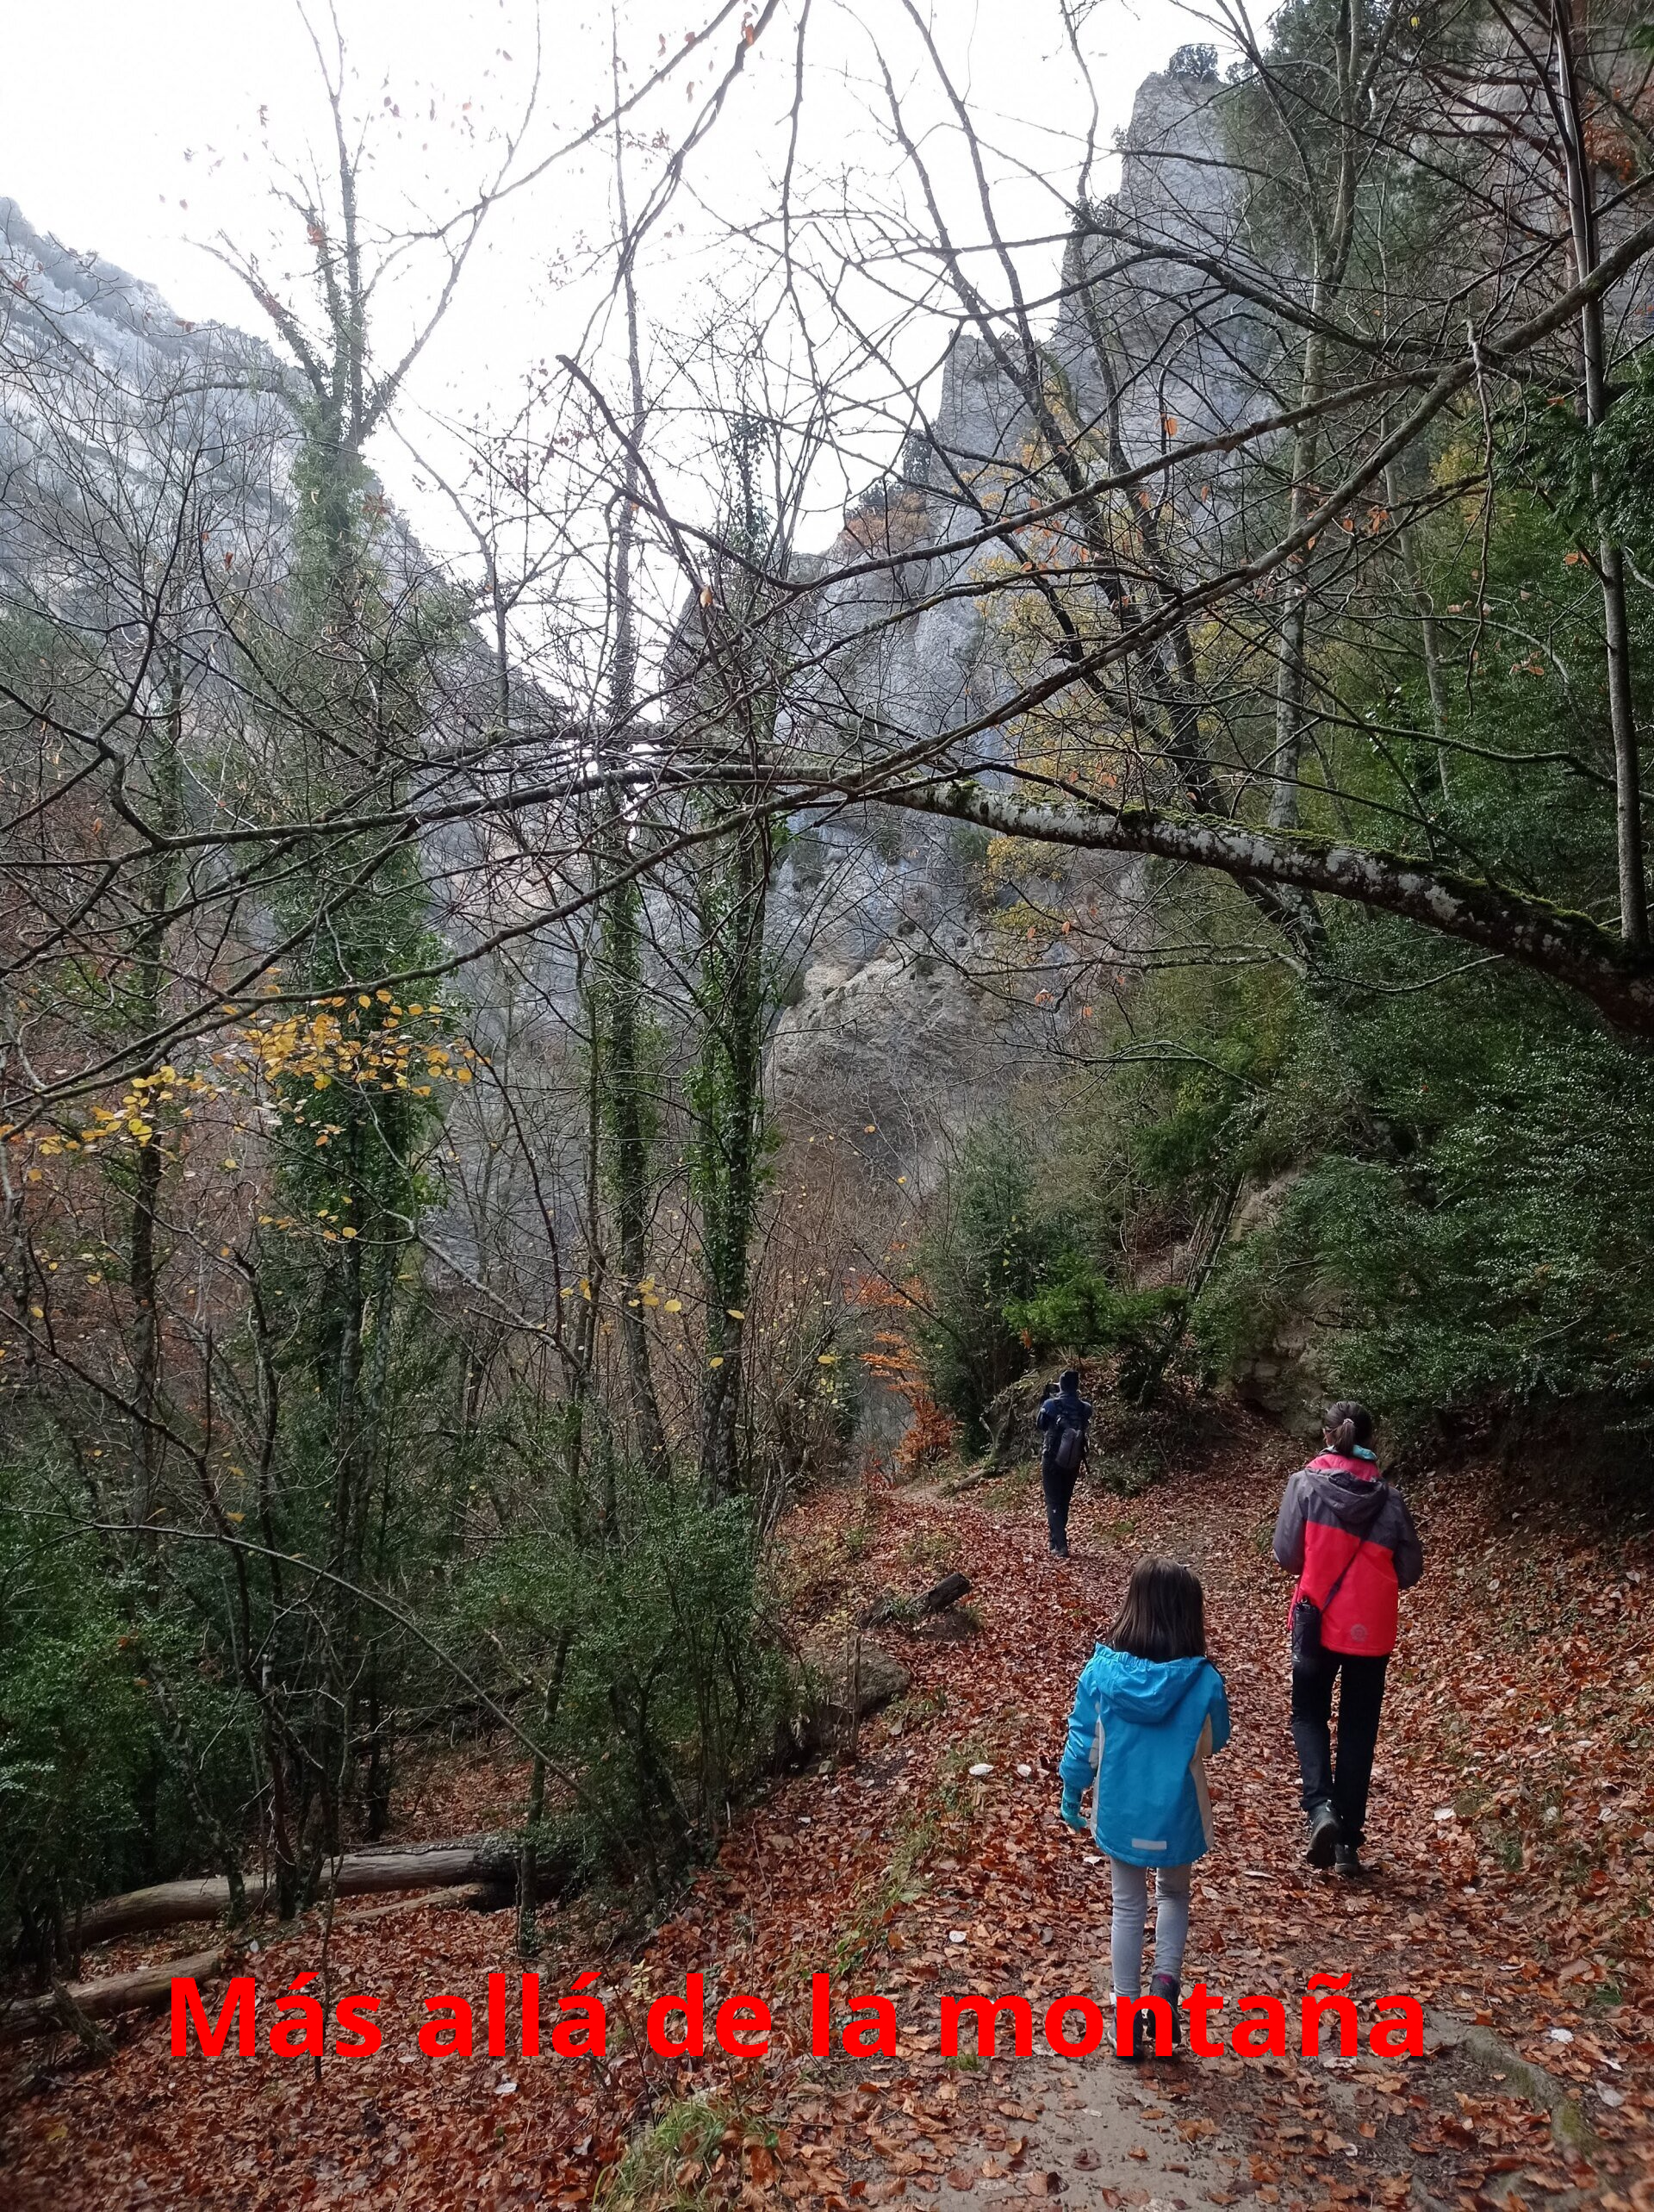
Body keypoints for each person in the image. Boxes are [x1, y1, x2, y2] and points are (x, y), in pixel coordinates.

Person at [1058, 1557, 1230, 2060]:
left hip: (1120, 1810)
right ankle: (1165, 1988)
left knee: (1127, 1906)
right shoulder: (1203, 1681)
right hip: (1177, 1811)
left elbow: (1082, 1743)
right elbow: (1216, 1739)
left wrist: (1073, 1793)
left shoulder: (1101, 1673)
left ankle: (1128, 2020)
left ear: (1132, 1607)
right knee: (1174, 1894)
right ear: (1189, 1617)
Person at [1272, 1399, 1423, 1877]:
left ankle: (1320, 1810)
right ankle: (1348, 1846)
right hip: (1372, 1630)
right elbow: (1411, 1570)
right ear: (1370, 1441)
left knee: (1308, 1714)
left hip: (1317, 1618)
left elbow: (1287, 1555)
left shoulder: (1304, 1486)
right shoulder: (1391, 1500)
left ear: (1326, 1435)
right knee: (1358, 1730)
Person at [1035, 1368, 1091, 1561]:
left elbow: (1041, 1424)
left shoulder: (1051, 1405)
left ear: (1061, 1385)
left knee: (1053, 1500)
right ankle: (1054, 1540)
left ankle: (1061, 1544)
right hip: (1074, 1460)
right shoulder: (1085, 1407)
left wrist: (1044, 1401)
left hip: (1051, 1459)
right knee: (1064, 1501)